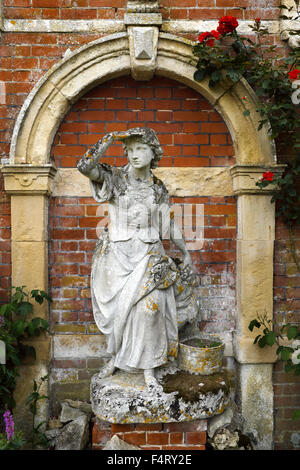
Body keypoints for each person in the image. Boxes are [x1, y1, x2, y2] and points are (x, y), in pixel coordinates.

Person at [77, 128, 194, 390]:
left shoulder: (157, 187)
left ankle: (149, 368)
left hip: (149, 256)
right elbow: (85, 166)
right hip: (117, 259)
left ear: (154, 152)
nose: (133, 154)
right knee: (122, 314)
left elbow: (167, 222)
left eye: (140, 148)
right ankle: (116, 359)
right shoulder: (115, 178)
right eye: (129, 149)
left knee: (150, 311)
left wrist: (185, 252)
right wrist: (108, 138)